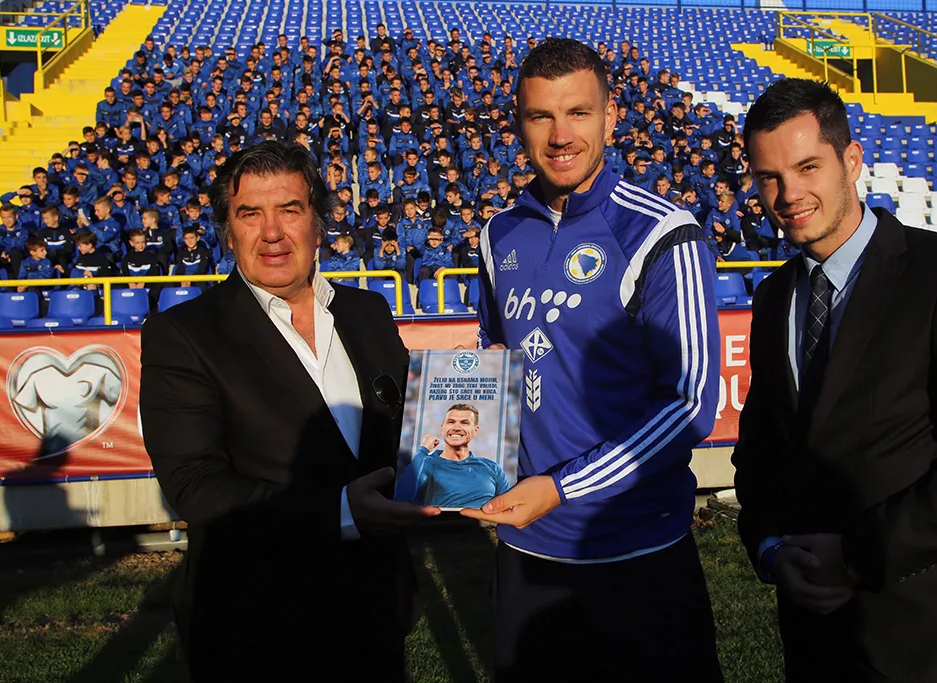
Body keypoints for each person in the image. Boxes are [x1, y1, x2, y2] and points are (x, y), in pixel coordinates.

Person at [732, 78, 937, 683]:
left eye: (808, 167)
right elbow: (760, 453)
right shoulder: (775, 296)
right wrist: (772, 550)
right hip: (812, 639)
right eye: (768, 177)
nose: (789, 194)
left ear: (852, 160)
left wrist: (860, 555)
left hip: (925, 641)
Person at [467, 38, 723, 683]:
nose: (560, 136)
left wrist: (561, 488)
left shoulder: (663, 233)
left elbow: (691, 404)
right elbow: (498, 353)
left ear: (611, 117)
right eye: (541, 116)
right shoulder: (498, 233)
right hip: (526, 548)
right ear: (519, 123)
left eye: (578, 113)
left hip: (637, 549)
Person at [140, 141, 439, 682]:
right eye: (249, 214)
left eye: (289, 210)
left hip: (375, 610)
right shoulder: (184, 335)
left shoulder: (367, 311)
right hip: (255, 627)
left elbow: (400, 435)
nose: (272, 232)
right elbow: (196, 485)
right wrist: (341, 512)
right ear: (228, 232)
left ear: (318, 224)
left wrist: (462, 398)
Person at [394, 404, 511, 508]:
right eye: (451, 422)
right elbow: (401, 498)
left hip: (484, 525)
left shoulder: (492, 468)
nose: (456, 428)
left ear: (475, 430)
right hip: (439, 525)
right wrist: (423, 449)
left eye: (464, 423)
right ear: (442, 428)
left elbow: (508, 509)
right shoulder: (426, 464)